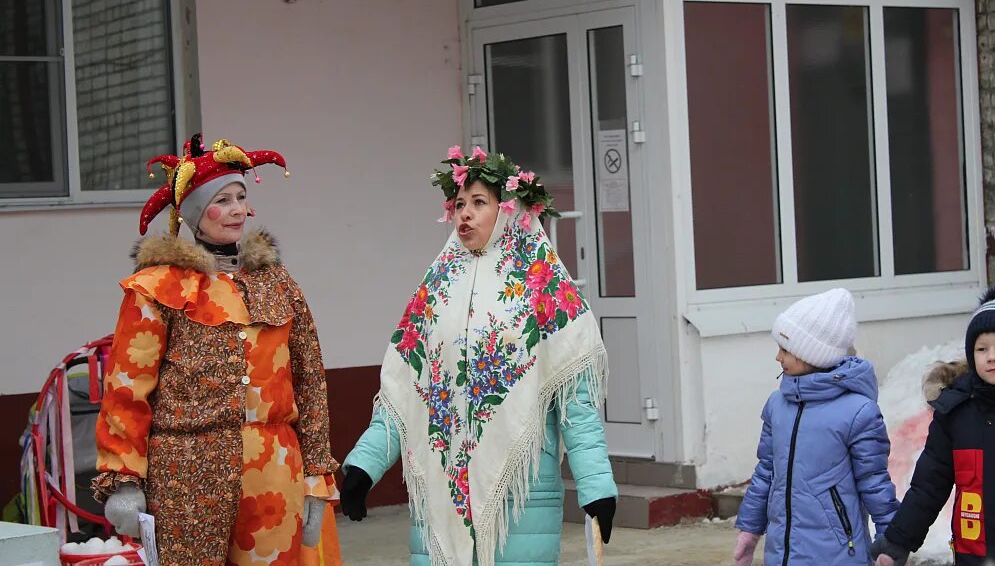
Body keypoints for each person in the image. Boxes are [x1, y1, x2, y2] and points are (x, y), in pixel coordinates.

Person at [340, 146, 617, 566]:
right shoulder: (435, 288)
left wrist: (596, 486)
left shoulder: (542, 284)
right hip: (441, 487)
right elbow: (405, 391)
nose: (464, 214)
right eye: (459, 204)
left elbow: (575, 399)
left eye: (479, 203)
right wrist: (364, 467)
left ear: (508, 211)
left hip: (520, 496)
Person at [92, 134, 342, 566]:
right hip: (186, 470)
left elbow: (309, 378)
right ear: (193, 213)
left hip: (275, 469)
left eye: (241, 198)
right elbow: (128, 386)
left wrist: (318, 471)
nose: (238, 211)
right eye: (222, 200)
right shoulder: (158, 287)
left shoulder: (277, 282)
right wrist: (123, 479)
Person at [733, 288, 899, 566]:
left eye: (785, 349)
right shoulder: (777, 405)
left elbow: (874, 482)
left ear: (812, 354)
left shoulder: (858, 412)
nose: (777, 357)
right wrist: (750, 530)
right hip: (781, 554)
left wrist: (892, 541)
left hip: (837, 555)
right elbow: (765, 472)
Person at [871, 284, 995, 566]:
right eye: (981, 348)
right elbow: (929, 487)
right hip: (973, 556)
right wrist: (898, 542)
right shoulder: (955, 413)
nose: (992, 356)